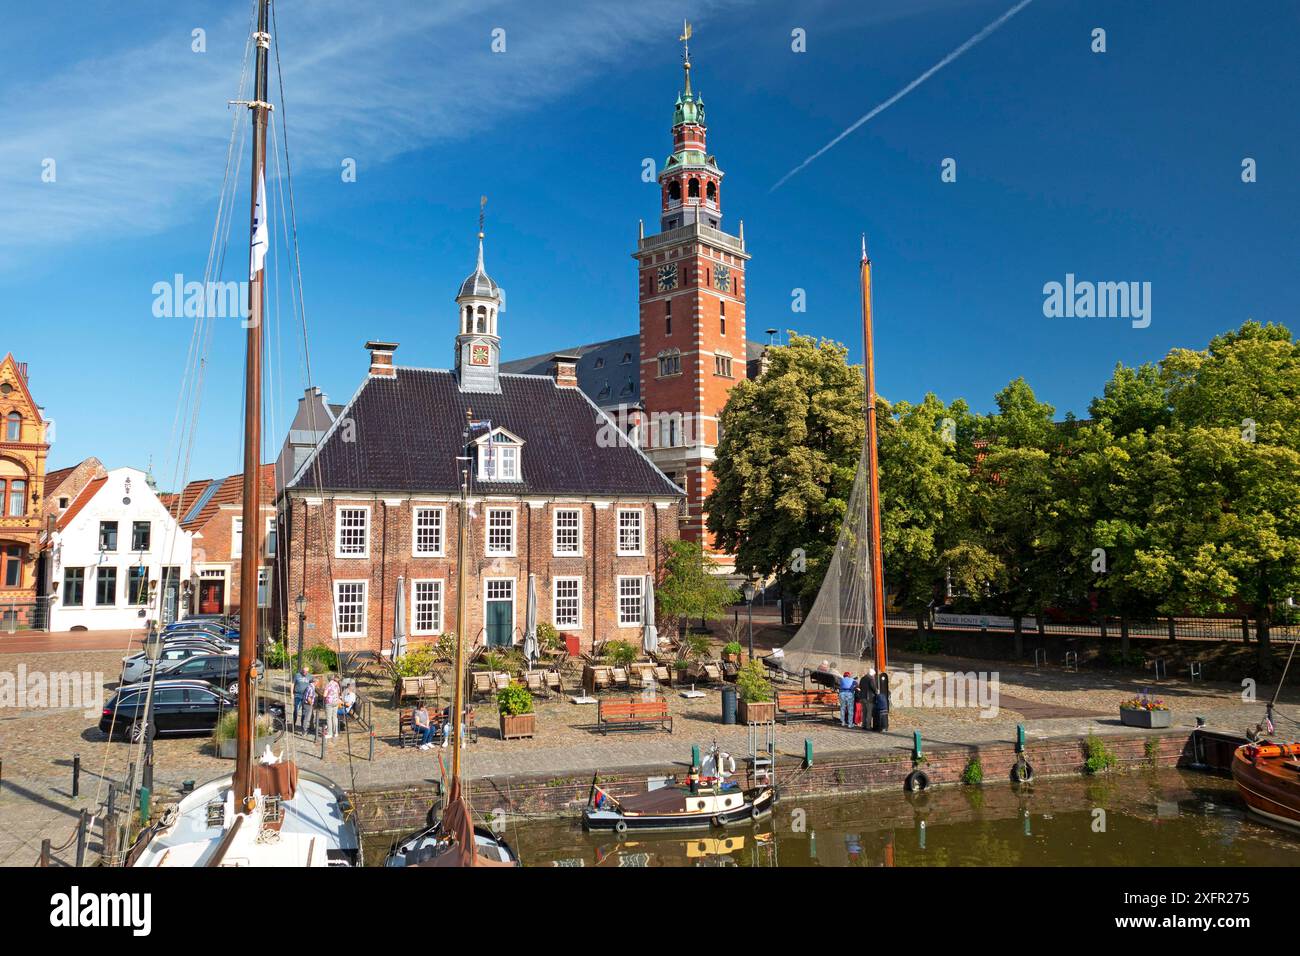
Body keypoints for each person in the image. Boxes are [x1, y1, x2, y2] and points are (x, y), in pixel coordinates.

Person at [292, 665, 313, 731]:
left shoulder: (310, 676)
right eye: (304, 671)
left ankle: (302, 726)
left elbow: (312, 686)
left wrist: (311, 696)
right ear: (302, 670)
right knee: (296, 710)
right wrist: (291, 693)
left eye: (306, 672)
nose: (305, 673)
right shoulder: (297, 675)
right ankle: (293, 724)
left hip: (305, 696)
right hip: (297, 695)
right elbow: (292, 684)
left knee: (304, 711)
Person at [857, 667, 878, 732]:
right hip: (869, 698)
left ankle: (863, 725)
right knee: (869, 712)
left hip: (862, 697)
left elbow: (860, 687)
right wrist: (877, 692)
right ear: (872, 674)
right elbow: (874, 688)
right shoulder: (871, 679)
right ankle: (868, 726)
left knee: (864, 712)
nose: (874, 676)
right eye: (874, 675)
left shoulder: (862, 678)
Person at [323, 674, 341, 739]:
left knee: (329, 718)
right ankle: (335, 732)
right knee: (334, 717)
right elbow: (338, 693)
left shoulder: (328, 685)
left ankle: (330, 733)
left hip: (329, 702)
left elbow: (324, 695)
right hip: (336, 701)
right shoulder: (336, 684)